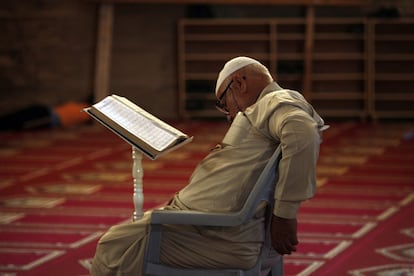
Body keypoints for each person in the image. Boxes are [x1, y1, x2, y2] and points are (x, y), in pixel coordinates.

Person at [91, 56, 326, 275]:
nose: (228, 115)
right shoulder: (265, 107)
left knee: (114, 245)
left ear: (239, 83)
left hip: (217, 236)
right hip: (205, 227)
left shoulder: (275, 100)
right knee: (122, 239)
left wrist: (285, 214)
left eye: (225, 103)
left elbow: (302, 132)